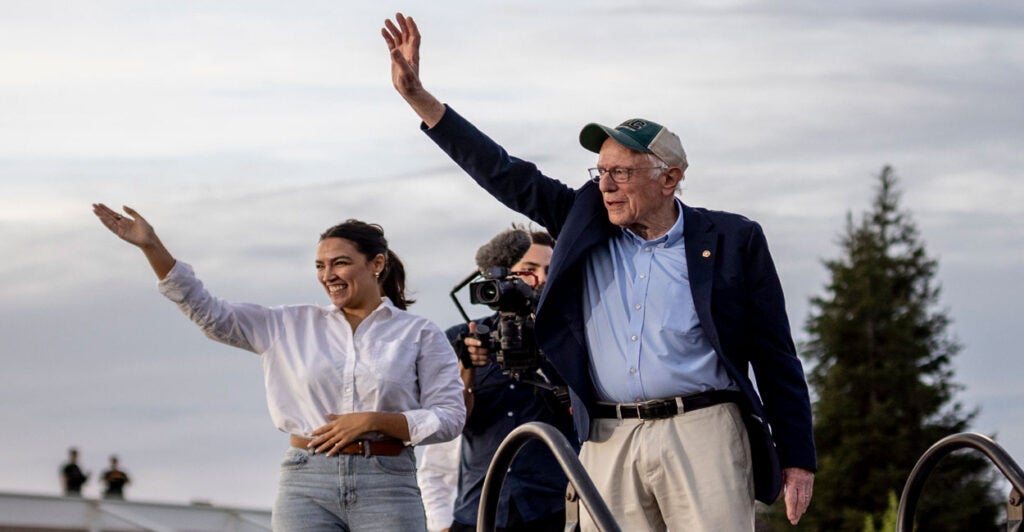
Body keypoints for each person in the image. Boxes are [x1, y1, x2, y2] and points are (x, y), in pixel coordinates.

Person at [382, 13, 816, 531]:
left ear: (670, 178)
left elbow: (775, 355)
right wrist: (419, 98)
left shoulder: (732, 239)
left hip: (704, 430)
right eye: (601, 172)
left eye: (622, 172)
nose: (606, 184)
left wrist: (798, 457)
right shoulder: (584, 221)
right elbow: (501, 170)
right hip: (608, 434)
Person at [92, 204, 465, 531]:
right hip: (306, 483)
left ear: (377, 264)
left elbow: (449, 416)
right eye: (320, 266)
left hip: (388, 483)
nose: (328, 275)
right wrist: (152, 247)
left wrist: (375, 421)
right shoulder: (287, 324)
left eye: (340, 263)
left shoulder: (420, 333)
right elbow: (208, 313)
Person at [443, 227, 577, 532]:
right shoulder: (462, 339)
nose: (540, 280)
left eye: (548, 270)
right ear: (500, 278)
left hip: (556, 506)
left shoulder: (571, 338)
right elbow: (450, 424)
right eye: (528, 271)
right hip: (480, 508)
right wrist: (467, 368)